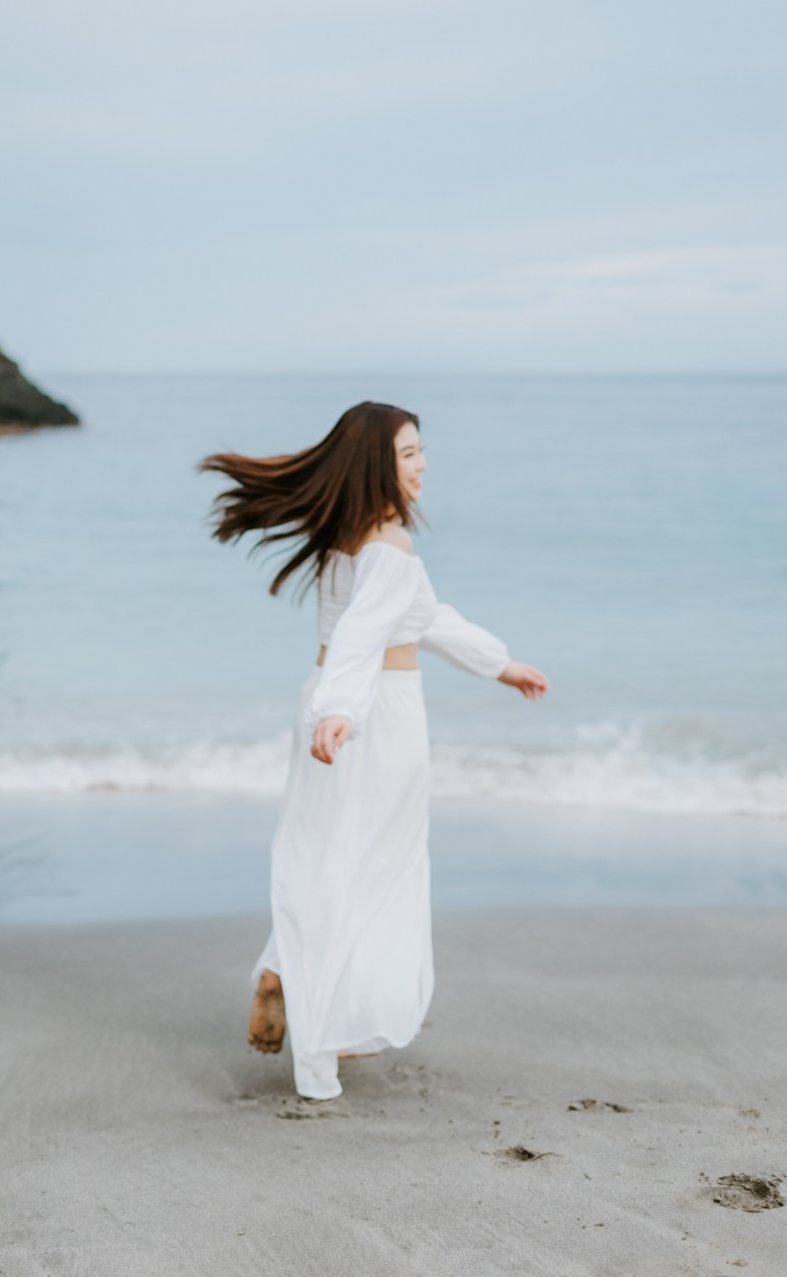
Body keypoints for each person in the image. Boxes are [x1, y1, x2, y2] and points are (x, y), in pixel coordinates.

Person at [199, 401, 548, 1101]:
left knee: (329, 856)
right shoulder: (390, 543)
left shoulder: (350, 533)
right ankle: (320, 1043)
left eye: (422, 451)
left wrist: (496, 664)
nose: (423, 466)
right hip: (374, 716)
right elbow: (366, 637)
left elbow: (416, 617)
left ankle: (289, 975)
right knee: (371, 868)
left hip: (332, 704)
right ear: (376, 465)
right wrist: (342, 713)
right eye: (409, 454)